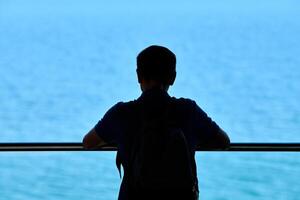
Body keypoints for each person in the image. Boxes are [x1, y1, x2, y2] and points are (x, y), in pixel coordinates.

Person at [83, 45, 230, 200]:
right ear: (173, 78)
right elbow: (224, 141)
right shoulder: (188, 111)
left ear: (138, 76)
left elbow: (88, 142)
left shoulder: (121, 113)